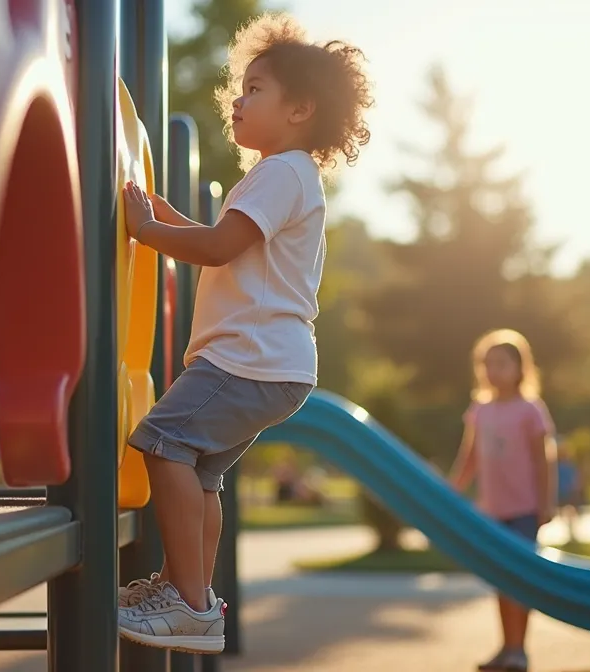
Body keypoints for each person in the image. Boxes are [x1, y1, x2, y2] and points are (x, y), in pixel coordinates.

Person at [113, 13, 374, 654]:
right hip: (269, 364)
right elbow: (213, 234)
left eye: (256, 88)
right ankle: (188, 588)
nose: (238, 97)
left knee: (163, 442)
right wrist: (156, 213)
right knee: (201, 475)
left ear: (300, 109)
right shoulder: (282, 177)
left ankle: (190, 605)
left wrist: (146, 232)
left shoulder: (283, 172)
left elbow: (220, 245)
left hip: (247, 359)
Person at [448, 329, 556, 672]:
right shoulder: (480, 409)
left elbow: (543, 460)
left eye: (501, 363)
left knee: (519, 581)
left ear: (520, 368)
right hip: (491, 511)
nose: (493, 370)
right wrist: (451, 491)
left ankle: (519, 650)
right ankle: (506, 646)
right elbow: (470, 457)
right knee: (501, 582)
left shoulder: (530, 410)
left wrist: (546, 503)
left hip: (523, 509)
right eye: (487, 364)